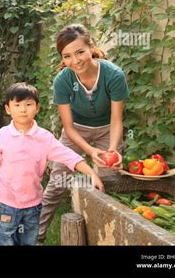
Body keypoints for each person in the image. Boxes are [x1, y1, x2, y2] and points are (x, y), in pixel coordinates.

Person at [0, 82, 105, 246]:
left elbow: (69, 157)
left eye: (28, 104)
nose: (23, 109)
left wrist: (91, 173)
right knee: (4, 241)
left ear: (37, 108)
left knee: (29, 242)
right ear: (8, 109)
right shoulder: (1, 136)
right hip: (6, 204)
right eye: (17, 105)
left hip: (33, 206)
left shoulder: (45, 138)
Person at [37, 24, 129, 244]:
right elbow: (68, 127)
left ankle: (108, 238)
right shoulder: (63, 80)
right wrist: (89, 150)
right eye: (67, 56)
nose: (75, 61)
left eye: (80, 52)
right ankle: (36, 237)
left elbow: (116, 120)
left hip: (107, 129)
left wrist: (112, 150)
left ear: (91, 47)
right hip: (75, 131)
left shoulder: (113, 75)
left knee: (109, 184)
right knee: (56, 183)